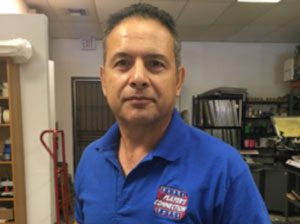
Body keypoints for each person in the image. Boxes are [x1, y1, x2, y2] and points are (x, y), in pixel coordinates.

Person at [74, 3, 270, 224]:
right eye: (123, 63)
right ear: (104, 81)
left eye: (155, 63)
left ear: (178, 81)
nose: (138, 77)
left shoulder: (224, 169)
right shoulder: (91, 159)